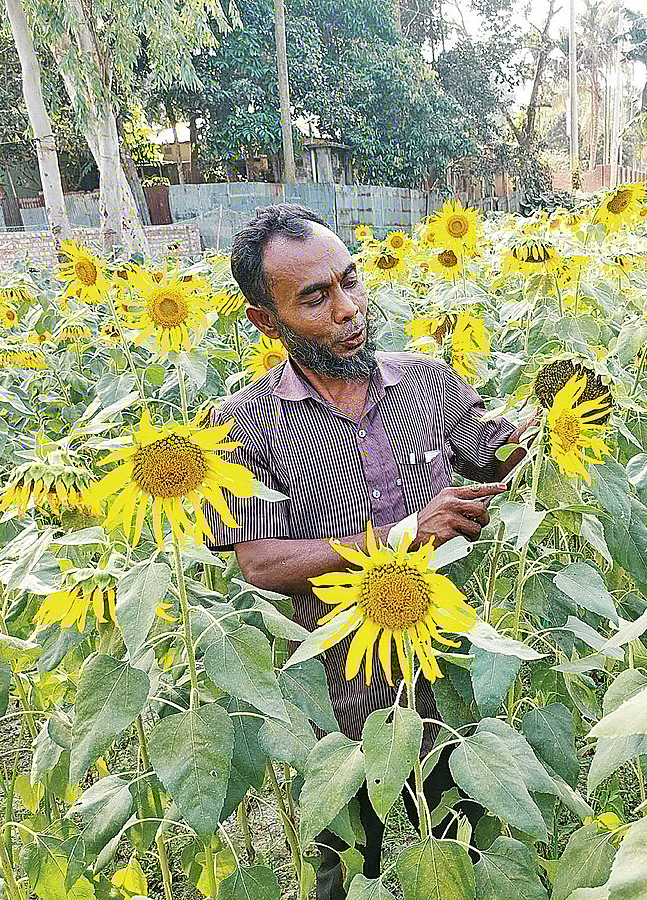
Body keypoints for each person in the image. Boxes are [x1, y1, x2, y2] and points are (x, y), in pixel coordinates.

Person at [201, 203, 531, 899]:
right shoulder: (241, 425)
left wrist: (556, 417)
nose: (348, 309)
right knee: (349, 860)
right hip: (339, 675)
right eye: (316, 298)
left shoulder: (428, 382)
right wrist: (407, 533)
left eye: (351, 281)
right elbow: (261, 564)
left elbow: (498, 457)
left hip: (450, 652)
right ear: (267, 322)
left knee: (471, 837)